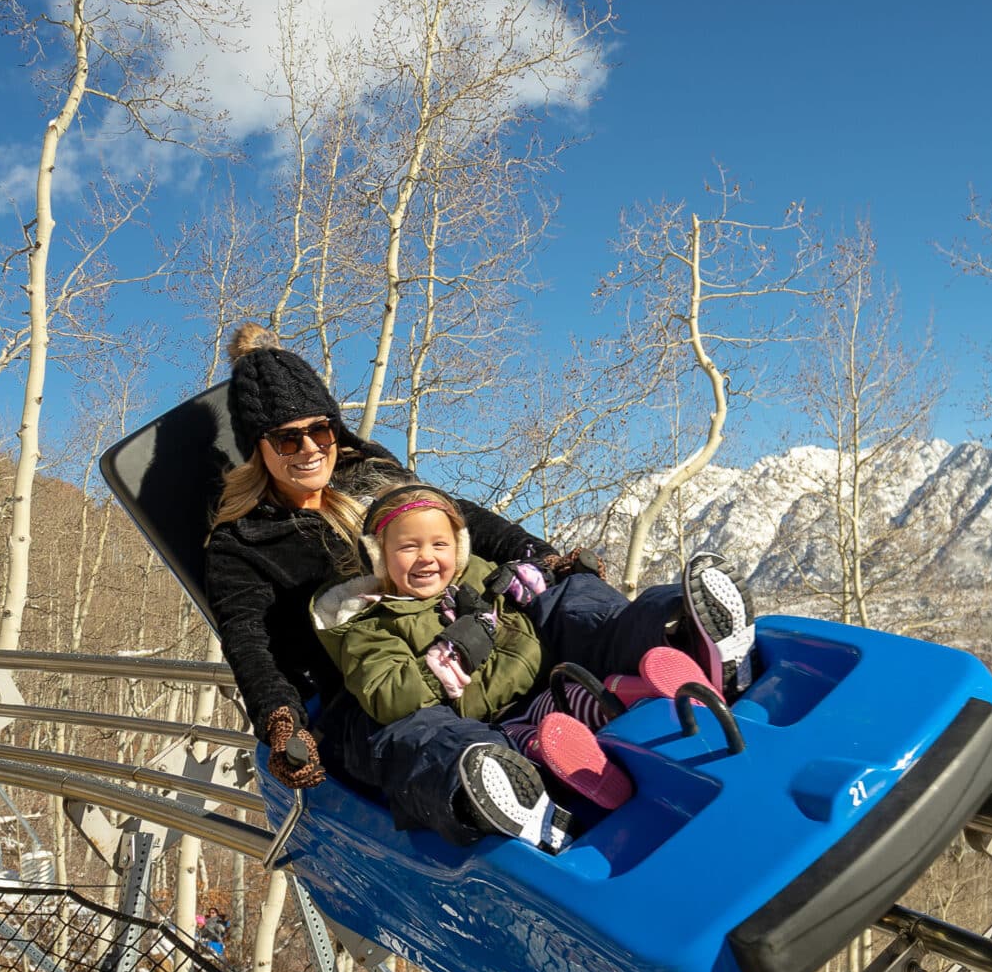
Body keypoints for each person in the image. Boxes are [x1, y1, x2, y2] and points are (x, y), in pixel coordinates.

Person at [202, 321, 755, 846]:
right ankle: (496, 786)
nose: (308, 450)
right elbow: (250, 641)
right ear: (259, 448)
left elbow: (461, 518)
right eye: (286, 439)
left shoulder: (370, 473)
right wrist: (282, 724)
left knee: (563, 597)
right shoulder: (242, 542)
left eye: (318, 430)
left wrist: (541, 557)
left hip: (474, 624)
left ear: (334, 427)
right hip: (382, 679)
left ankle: (681, 642)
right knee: (411, 737)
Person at [315, 482, 714, 846]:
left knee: (572, 608)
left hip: (548, 687)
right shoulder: (370, 627)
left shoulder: (479, 579)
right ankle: (523, 790)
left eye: (439, 544)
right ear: (379, 558)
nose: (427, 558)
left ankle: (670, 644)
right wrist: (452, 656)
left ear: (458, 547)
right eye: (408, 547)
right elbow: (387, 694)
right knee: (434, 736)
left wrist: (533, 585)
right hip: (489, 728)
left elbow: (537, 612)